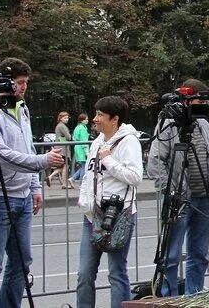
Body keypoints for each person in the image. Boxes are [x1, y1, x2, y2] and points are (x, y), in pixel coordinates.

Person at [0, 57, 64, 308]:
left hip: (21, 195)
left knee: (22, 261)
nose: (23, 87)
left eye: (26, 83)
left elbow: (26, 144)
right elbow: (0, 155)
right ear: (6, 82)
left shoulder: (21, 107)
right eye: (19, 82)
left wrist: (35, 186)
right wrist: (42, 161)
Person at [148, 80, 209, 296]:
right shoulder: (168, 125)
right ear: (186, 100)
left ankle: (194, 293)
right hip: (178, 199)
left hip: (203, 197)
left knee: (200, 253)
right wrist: (169, 191)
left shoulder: (204, 124)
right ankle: (169, 297)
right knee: (171, 256)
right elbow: (155, 162)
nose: (202, 105)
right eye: (199, 100)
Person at [76, 96, 143, 308]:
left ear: (114, 119)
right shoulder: (98, 141)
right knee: (84, 273)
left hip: (118, 215)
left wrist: (108, 160)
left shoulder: (129, 141)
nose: (95, 119)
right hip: (92, 215)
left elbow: (135, 177)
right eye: (95, 114)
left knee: (116, 272)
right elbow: (89, 176)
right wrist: (85, 201)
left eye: (100, 115)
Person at [47, 112, 73, 189]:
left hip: (60, 148)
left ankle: (51, 177)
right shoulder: (62, 126)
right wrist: (69, 135)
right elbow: (68, 137)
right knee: (65, 165)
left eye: (67, 118)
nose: (67, 119)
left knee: (62, 166)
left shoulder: (59, 126)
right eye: (65, 118)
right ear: (61, 118)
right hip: (63, 149)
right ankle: (64, 184)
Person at [71, 114, 90, 183]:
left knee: (83, 166)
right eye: (85, 119)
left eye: (87, 119)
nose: (87, 121)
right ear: (81, 120)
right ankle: (82, 183)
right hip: (82, 148)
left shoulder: (77, 127)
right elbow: (84, 140)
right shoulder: (82, 129)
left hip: (77, 147)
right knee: (84, 166)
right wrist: (86, 151)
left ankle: (73, 178)